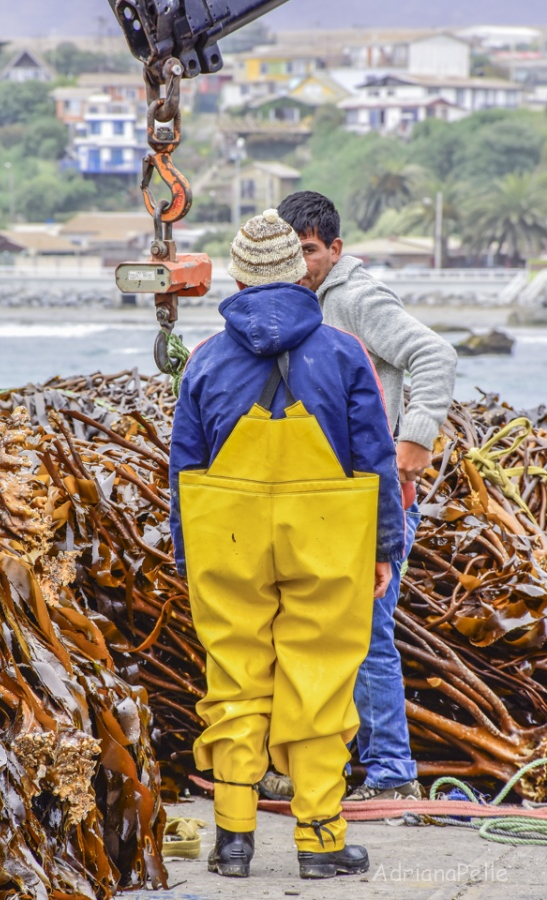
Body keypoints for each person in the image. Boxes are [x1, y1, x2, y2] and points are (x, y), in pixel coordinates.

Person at [169, 209, 405, 879]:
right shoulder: (341, 351)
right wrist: (383, 548)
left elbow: (184, 469)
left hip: (229, 536)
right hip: (327, 536)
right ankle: (320, 841)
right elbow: (376, 458)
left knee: (235, 681)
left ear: (240, 277)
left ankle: (235, 840)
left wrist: (191, 556)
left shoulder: (208, 360)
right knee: (321, 681)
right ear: (300, 271)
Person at [258, 190, 458, 803]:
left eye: (312, 252)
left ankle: (393, 775)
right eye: (295, 253)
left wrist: (416, 439)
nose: (304, 263)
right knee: (321, 631)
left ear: (335, 250)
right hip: (332, 497)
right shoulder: (305, 298)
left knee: (368, 632)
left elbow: (434, 353)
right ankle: (329, 764)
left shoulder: (355, 297)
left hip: (380, 496)